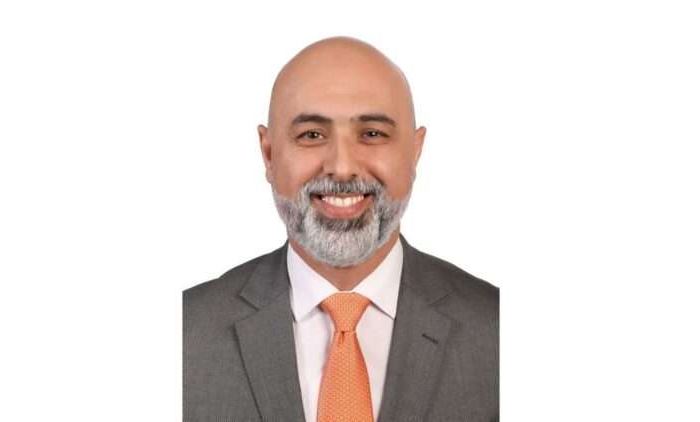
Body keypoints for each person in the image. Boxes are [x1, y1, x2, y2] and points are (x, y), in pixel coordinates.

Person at [183, 36, 499, 422]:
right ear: (268, 154)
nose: (343, 167)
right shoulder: (184, 335)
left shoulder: (498, 331)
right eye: (312, 135)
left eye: (372, 134)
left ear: (415, 152)